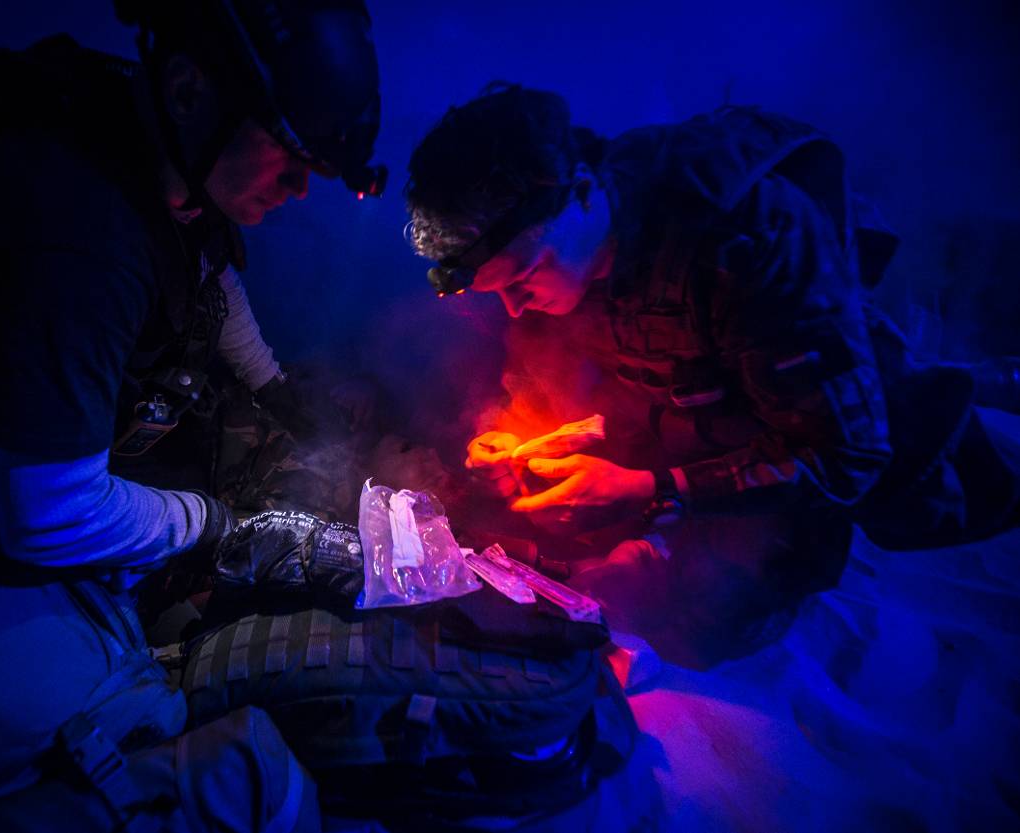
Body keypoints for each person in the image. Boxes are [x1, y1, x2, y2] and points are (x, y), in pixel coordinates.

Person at [0, 1, 383, 830]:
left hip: (51, 442)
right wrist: (219, 527)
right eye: (288, 153)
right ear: (188, 89)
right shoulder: (78, 235)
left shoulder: (157, 148)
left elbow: (208, 275)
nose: (299, 186)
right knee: (139, 712)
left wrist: (278, 391)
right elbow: (48, 512)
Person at [403, 84, 1020, 666]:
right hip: (729, 412)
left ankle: (988, 388)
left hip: (838, 436)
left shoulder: (747, 236)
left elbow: (848, 457)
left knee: (705, 623)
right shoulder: (573, 251)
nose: (514, 308)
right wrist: (546, 442)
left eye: (524, 277)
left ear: (585, 192)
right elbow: (645, 383)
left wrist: (656, 489)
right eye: (496, 291)